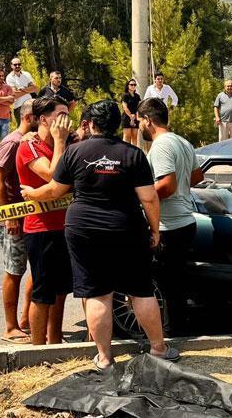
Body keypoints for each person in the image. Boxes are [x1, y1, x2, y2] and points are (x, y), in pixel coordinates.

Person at [21, 100, 179, 370]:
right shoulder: (133, 154)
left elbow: (54, 190)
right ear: (117, 125)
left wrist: (30, 194)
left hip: (83, 230)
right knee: (140, 290)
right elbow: (149, 198)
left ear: (91, 124)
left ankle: (104, 358)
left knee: (97, 294)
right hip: (127, 229)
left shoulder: (74, 152)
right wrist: (155, 229)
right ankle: (158, 348)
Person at [139, 97, 204, 334]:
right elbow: (196, 177)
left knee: (164, 289)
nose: (138, 128)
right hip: (185, 222)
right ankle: (176, 332)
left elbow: (166, 186)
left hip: (169, 225)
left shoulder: (162, 145)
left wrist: (140, 194)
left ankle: (168, 336)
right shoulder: (183, 142)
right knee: (175, 288)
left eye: (139, 122)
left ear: (147, 120)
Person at [15, 96, 72, 345]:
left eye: (66, 114)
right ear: (42, 119)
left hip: (65, 226)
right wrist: (59, 141)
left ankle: (55, 341)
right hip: (41, 228)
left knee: (60, 292)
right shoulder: (29, 146)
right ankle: (37, 348)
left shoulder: (66, 144)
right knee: (43, 292)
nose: (64, 120)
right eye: (59, 115)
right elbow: (52, 175)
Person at [0, 100, 36, 344]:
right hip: (13, 220)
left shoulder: (30, 142)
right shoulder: (12, 142)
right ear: (29, 118)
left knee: (35, 269)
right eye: (41, 117)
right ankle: (10, 327)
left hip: (30, 217)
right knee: (14, 270)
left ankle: (27, 319)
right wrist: (8, 215)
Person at [121, 79, 141, 145]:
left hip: (135, 117)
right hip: (127, 117)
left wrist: (136, 117)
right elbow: (124, 107)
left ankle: (133, 154)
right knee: (127, 137)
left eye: (134, 85)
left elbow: (138, 107)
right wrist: (131, 116)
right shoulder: (125, 95)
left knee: (135, 137)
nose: (133, 86)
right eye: (131, 84)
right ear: (128, 86)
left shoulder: (137, 96)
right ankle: (124, 154)